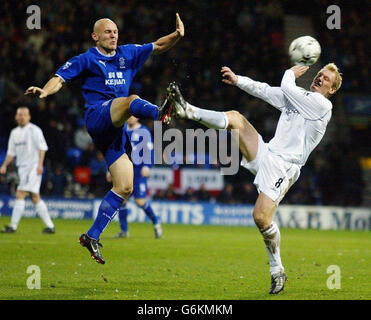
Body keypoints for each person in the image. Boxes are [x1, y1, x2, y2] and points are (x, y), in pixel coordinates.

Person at [166, 63, 342, 294]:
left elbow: (286, 85)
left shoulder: (323, 105)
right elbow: (265, 90)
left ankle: (277, 269)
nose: (320, 78)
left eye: (326, 79)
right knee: (236, 119)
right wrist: (238, 79)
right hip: (267, 153)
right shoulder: (298, 97)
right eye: (319, 74)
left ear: (332, 90)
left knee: (260, 217)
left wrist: (289, 72)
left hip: (285, 167)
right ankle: (187, 110)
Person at [25, 14, 185, 264]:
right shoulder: (87, 59)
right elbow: (60, 78)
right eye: (107, 32)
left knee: (125, 186)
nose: (113, 35)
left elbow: (158, 46)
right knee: (131, 101)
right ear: (95, 36)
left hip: (115, 130)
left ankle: (92, 235)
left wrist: (176, 36)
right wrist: (45, 90)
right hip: (98, 116)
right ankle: (160, 113)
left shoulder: (129, 53)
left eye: (115, 31)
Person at [0, 107, 55, 234]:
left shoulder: (34, 130)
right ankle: (50, 226)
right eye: (19, 114)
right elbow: (11, 153)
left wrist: (40, 165)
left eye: (24, 115)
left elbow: (42, 148)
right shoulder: (14, 132)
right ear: (16, 117)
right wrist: (4, 165)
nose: (22, 117)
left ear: (29, 117)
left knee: (20, 193)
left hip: (33, 167)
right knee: (35, 197)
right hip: (22, 168)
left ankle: (13, 226)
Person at [109, 116, 162, 239]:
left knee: (140, 201)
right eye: (129, 115)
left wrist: (147, 166)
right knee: (122, 200)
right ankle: (124, 231)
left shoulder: (144, 131)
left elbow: (149, 150)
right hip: (125, 169)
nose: (130, 117)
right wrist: (110, 169)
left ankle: (156, 222)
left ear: (137, 117)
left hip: (139, 170)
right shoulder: (122, 130)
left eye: (133, 115)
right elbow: (116, 150)